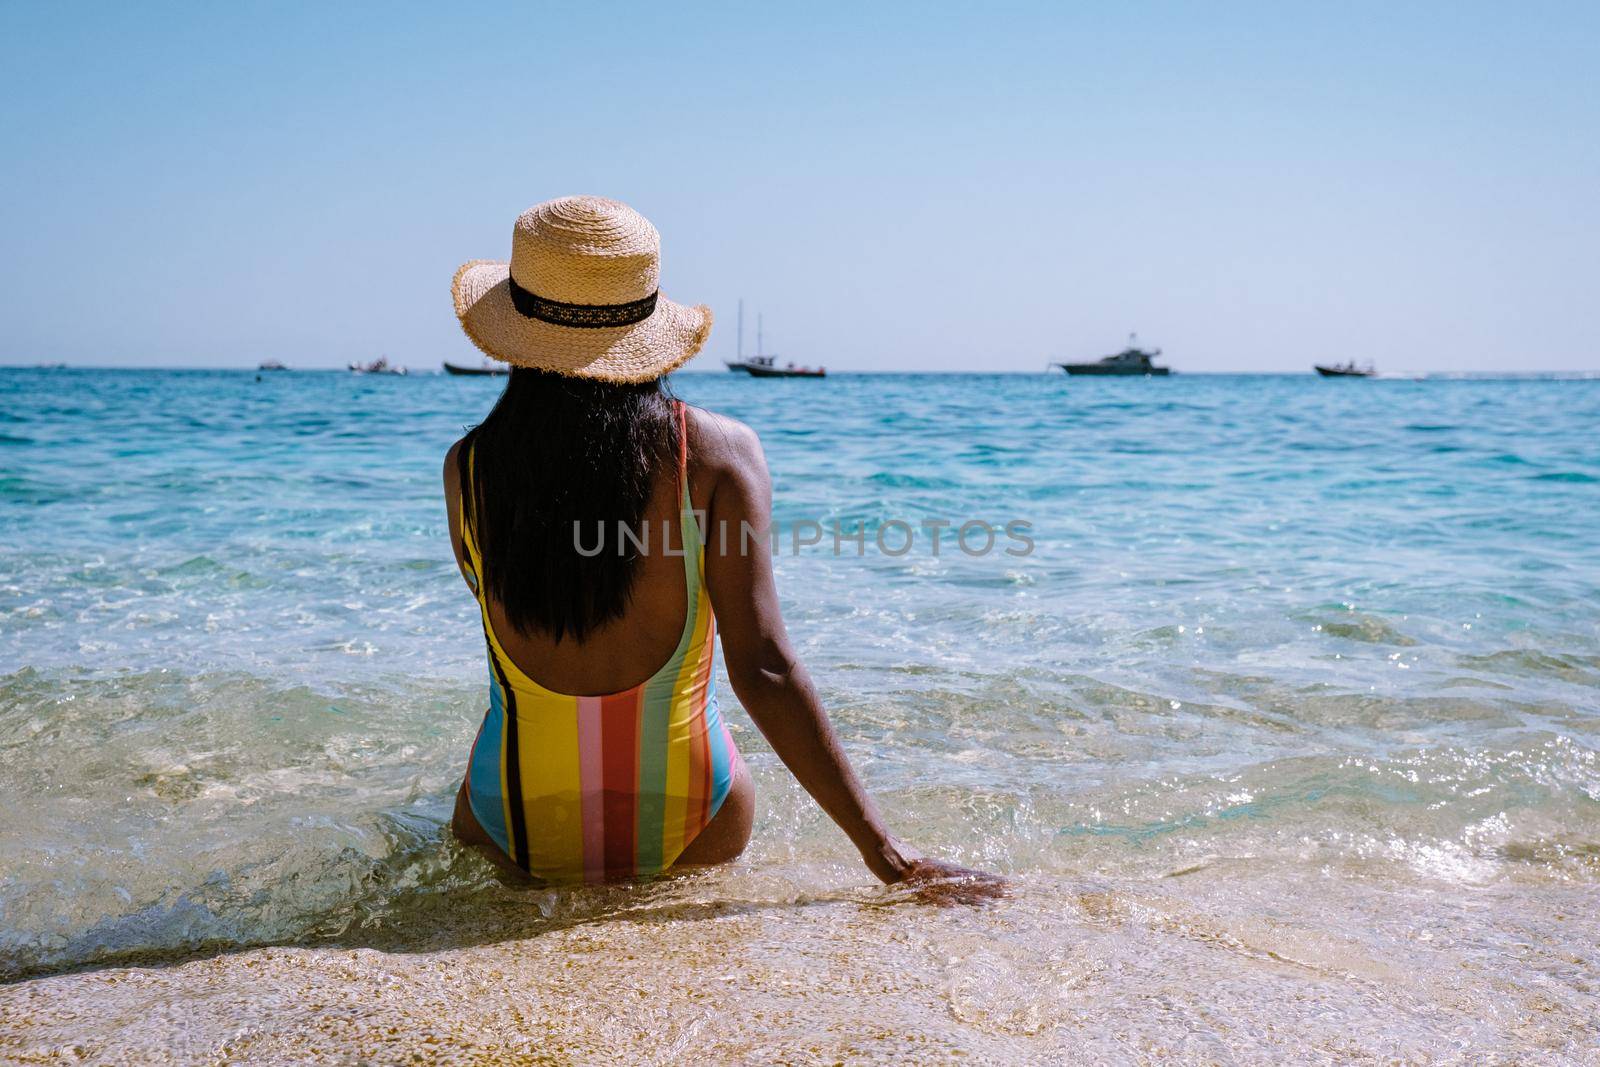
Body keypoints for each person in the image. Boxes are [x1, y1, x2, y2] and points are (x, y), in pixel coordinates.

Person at [444, 196, 1001, 904]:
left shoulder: (467, 468)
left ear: (517, 328)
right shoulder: (715, 456)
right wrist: (890, 856)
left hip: (509, 822)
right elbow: (763, 666)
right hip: (689, 820)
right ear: (645, 325)